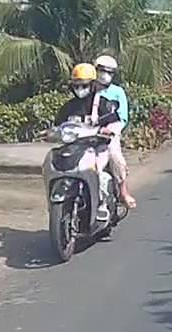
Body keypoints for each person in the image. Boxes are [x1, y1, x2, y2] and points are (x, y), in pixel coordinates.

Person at [53, 63, 122, 221]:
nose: (80, 89)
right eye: (76, 85)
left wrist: (108, 129)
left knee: (99, 171)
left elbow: (114, 120)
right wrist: (50, 133)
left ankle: (103, 203)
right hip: (74, 147)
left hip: (97, 147)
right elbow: (58, 125)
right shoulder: (68, 107)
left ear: (93, 85)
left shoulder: (102, 103)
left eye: (84, 85)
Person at [93, 54, 137, 209]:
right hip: (89, 131)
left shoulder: (117, 92)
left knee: (115, 156)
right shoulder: (88, 90)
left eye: (109, 72)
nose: (104, 75)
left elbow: (122, 117)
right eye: (102, 71)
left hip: (109, 132)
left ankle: (123, 191)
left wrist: (110, 130)